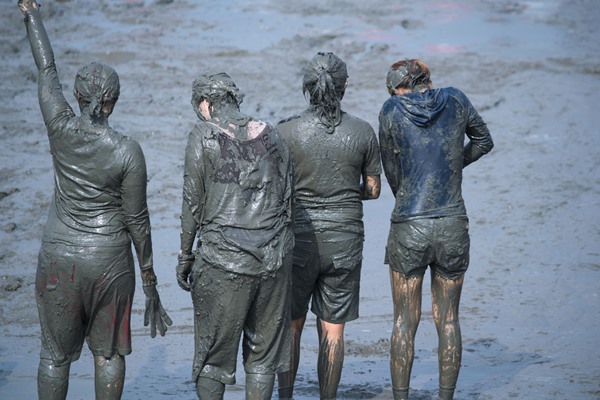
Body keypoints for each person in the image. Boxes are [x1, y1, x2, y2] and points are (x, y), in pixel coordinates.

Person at [17, 1, 173, 399]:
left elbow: (46, 69)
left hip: (59, 256)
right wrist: (150, 280)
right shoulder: (127, 151)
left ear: (77, 95)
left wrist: (31, 13)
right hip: (110, 262)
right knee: (107, 355)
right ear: (113, 101)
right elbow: (138, 219)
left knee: (54, 355)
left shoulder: (59, 127)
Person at [378, 59, 494, 400]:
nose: (392, 96)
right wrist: (451, 164)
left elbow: (392, 172)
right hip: (452, 224)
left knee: (404, 321)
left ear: (401, 87)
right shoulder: (456, 99)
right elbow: (484, 141)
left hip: (409, 226)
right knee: (448, 320)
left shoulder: (390, 110)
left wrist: (411, 194)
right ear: (426, 80)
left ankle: (401, 396)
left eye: (392, 90)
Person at [175, 72, 295, 400]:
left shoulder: (202, 135)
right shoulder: (272, 134)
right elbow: (289, 203)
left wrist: (185, 256)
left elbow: (192, 203)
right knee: (262, 360)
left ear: (206, 104)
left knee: (213, 362)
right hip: (273, 259)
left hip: (222, 262)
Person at [276, 52, 382, 400]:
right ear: (344, 86)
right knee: (333, 330)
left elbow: (275, 192)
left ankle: (286, 395)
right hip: (345, 241)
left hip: (297, 243)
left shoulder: (285, 132)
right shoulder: (363, 132)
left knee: (291, 326)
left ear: (307, 88)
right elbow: (373, 190)